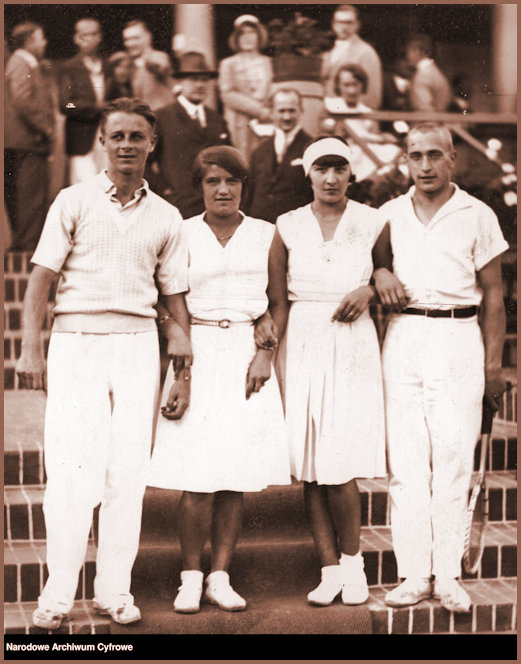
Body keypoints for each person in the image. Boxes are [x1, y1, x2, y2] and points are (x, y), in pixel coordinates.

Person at [15, 97, 191, 630]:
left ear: (151, 144)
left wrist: (182, 369)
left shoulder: (166, 215)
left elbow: (175, 297)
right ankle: (57, 594)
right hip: (77, 342)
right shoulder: (72, 200)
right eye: (117, 136)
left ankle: (114, 591)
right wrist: (29, 347)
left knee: (126, 475)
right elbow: (40, 282)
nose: (127, 146)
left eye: (137, 137)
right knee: (71, 472)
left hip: (138, 346)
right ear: (102, 141)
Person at [148, 145, 291, 613]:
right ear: (200, 188)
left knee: (234, 473)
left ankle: (220, 575)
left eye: (231, 181)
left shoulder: (267, 233)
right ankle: (190, 577)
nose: (223, 189)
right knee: (197, 476)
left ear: (243, 186)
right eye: (212, 181)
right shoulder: (182, 232)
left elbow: (277, 300)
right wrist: (182, 374)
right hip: (198, 351)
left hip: (248, 358)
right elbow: (172, 304)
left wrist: (266, 352)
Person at [263, 136, 404, 606]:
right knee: (311, 465)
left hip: (352, 341)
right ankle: (329, 570)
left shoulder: (372, 220)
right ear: (308, 173)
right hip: (302, 340)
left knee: (340, 463)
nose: (330, 178)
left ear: (351, 173)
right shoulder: (285, 225)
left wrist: (368, 288)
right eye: (321, 168)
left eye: (339, 168)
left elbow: (387, 274)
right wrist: (268, 352)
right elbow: (278, 301)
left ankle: (353, 565)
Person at [376, 123, 508, 612]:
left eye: (435, 155)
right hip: (404, 336)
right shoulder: (388, 214)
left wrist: (493, 366)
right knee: (407, 463)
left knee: (453, 459)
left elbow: (495, 296)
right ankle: (413, 572)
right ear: (405, 161)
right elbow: (367, 264)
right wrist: (380, 269)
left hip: (458, 338)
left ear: (453, 159)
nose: (425, 165)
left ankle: (449, 574)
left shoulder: (477, 213)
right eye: (416, 156)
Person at [149, 52, 231, 219]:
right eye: (193, 80)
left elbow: (230, 161)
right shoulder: (162, 117)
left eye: (204, 80)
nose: (200, 85)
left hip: (213, 209)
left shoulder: (216, 119)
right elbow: (144, 163)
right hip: (177, 208)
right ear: (179, 82)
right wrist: (165, 192)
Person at [4, 22, 54, 251]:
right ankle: (27, 247)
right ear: (30, 41)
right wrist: (45, 128)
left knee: (32, 197)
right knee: (30, 198)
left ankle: (29, 245)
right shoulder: (20, 62)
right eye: (41, 38)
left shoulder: (27, 63)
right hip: (29, 140)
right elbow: (22, 100)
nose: (44, 43)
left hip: (31, 140)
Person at [321, 64, 401, 181]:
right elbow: (335, 134)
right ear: (338, 86)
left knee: (393, 152)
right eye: (346, 85)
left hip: (365, 154)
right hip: (341, 154)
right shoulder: (331, 106)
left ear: (362, 85)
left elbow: (373, 138)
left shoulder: (367, 112)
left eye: (355, 84)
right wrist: (381, 138)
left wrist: (381, 138)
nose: (351, 90)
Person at [245, 88, 313, 223]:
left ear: (301, 110)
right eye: (281, 111)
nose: (287, 117)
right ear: (272, 112)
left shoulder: (312, 148)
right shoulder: (259, 151)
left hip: (296, 228)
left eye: (292, 110)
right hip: (261, 228)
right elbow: (248, 196)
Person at [59, 18, 108, 184]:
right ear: (77, 39)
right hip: (81, 141)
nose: (91, 39)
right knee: (84, 190)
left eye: (94, 34)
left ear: (100, 36)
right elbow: (66, 104)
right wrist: (95, 107)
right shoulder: (69, 67)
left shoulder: (107, 66)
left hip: (106, 140)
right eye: (85, 35)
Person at [218, 14, 273, 160]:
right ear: (236, 38)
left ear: (259, 35)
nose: (247, 37)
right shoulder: (228, 63)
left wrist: (269, 111)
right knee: (242, 160)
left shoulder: (269, 63)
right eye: (242, 33)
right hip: (240, 121)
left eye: (251, 32)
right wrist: (259, 110)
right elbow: (228, 94)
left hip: (266, 121)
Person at [321, 5, 382, 109]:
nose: (344, 27)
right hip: (329, 115)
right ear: (333, 24)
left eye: (349, 22)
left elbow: (373, 94)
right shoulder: (327, 52)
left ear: (357, 25)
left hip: (355, 116)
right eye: (340, 22)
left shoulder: (366, 52)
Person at [122, 19, 174, 111]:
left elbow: (160, 65)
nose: (131, 43)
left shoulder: (158, 56)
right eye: (127, 39)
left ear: (148, 37)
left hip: (163, 119)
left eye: (136, 38)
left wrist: (156, 66)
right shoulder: (130, 65)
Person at [405, 34, 452, 112]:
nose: (407, 55)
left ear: (416, 50)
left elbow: (425, 112)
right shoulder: (435, 72)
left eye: (409, 50)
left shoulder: (422, 76)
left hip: (427, 122)